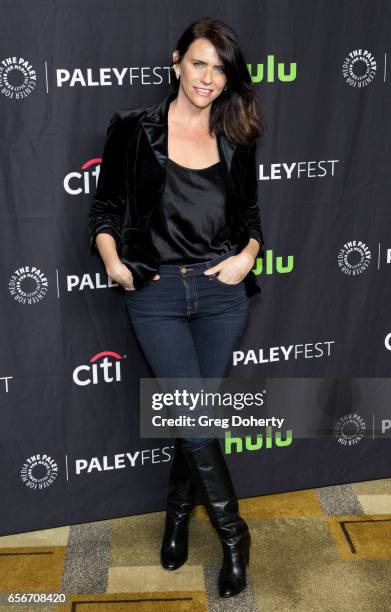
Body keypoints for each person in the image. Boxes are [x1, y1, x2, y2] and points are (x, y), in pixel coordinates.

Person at [89, 17, 265, 599]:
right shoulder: (134, 129)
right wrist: (113, 261)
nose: (208, 77)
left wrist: (249, 256)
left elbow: (252, 222)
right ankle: (234, 536)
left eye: (219, 68)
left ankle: (175, 515)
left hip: (221, 294)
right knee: (195, 418)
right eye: (199, 63)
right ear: (176, 62)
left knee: (193, 421)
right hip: (157, 293)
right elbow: (106, 209)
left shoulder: (237, 135)